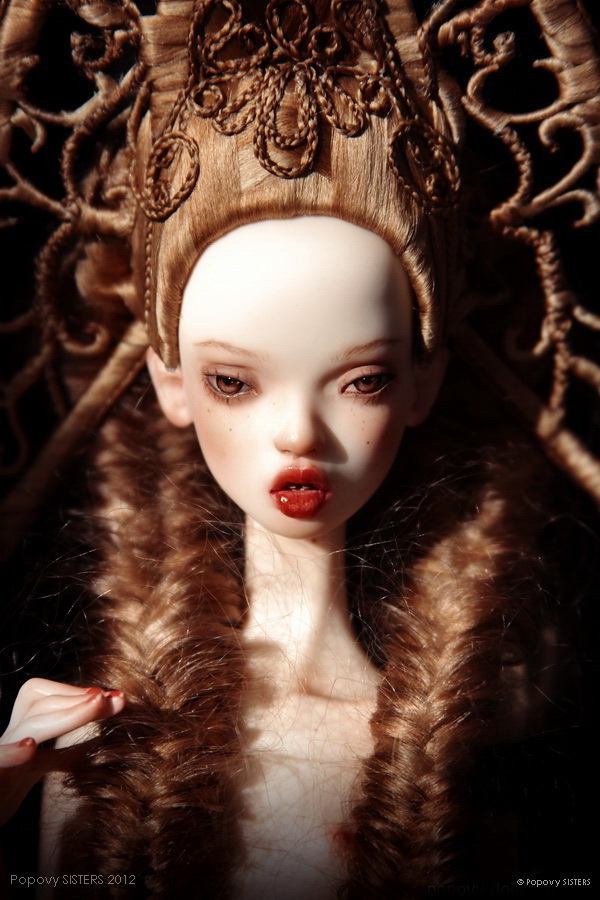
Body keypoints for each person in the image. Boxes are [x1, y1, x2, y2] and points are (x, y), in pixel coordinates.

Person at [1, 0, 598, 895]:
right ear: (170, 381)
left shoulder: (470, 762)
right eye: (232, 381)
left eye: (362, 379)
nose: (297, 434)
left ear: (423, 382)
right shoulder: (104, 747)